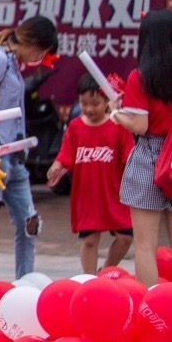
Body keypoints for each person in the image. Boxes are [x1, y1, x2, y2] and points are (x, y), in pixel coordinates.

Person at [0, 16, 58, 277]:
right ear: (34, 43)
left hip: (14, 153)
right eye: (43, 51)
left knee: (29, 223)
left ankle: (25, 282)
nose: (41, 57)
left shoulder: (13, 63)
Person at [111, 9, 172, 286]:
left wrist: (115, 113)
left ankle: (152, 306)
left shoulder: (141, 76)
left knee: (145, 245)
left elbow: (140, 127)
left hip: (151, 157)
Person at [47, 74, 133, 275]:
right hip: (87, 195)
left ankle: (105, 272)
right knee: (90, 240)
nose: (89, 109)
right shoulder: (76, 126)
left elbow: (129, 155)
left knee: (125, 237)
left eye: (95, 103)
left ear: (107, 101)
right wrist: (56, 166)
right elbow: (65, 155)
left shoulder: (119, 125)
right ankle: (89, 279)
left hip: (115, 193)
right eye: (84, 103)